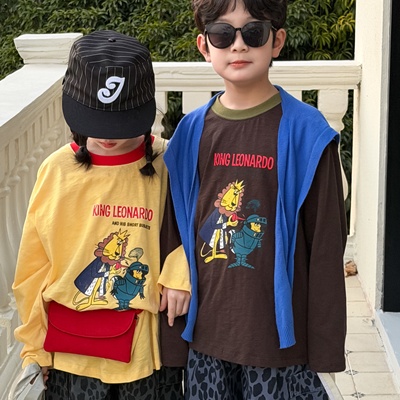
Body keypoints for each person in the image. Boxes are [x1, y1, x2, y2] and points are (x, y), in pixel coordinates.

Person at [163, 0, 348, 398]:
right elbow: (174, 236)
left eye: (253, 32)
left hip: (279, 344)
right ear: (204, 46)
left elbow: (327, 245)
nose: (238, 45)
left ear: (276, 41)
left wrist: (326, 349)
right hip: (207, 337)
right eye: (222, 34)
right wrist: (172, 343)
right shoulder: (190, 133)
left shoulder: (308, 133)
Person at [12, 30, 191, 400]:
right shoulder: (56, 169)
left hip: (145, 357)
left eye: (119, 123)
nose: (108, 137)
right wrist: (34, 347)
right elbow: (32, 270)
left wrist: (181, 272)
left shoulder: (169, 162)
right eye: (96, 122)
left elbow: (197, 227)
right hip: (69, 357)